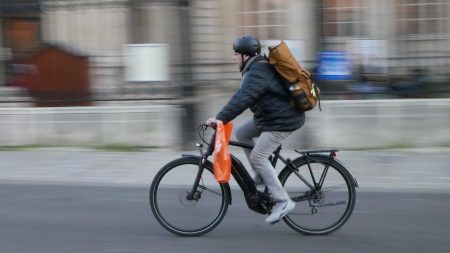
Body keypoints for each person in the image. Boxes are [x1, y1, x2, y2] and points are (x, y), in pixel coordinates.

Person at [206, 35, 305, 224]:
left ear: (245, 55)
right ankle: (261, 173)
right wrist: (220, 117)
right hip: (268, 117)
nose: (234, 58)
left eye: (236, 54)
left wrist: (219, 119)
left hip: (283, 120)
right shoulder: (254, 68)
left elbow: (242, 99)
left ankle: (283, 201)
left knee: (258, 156)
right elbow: (240, 97)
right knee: (242, 133)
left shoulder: (258, 71)